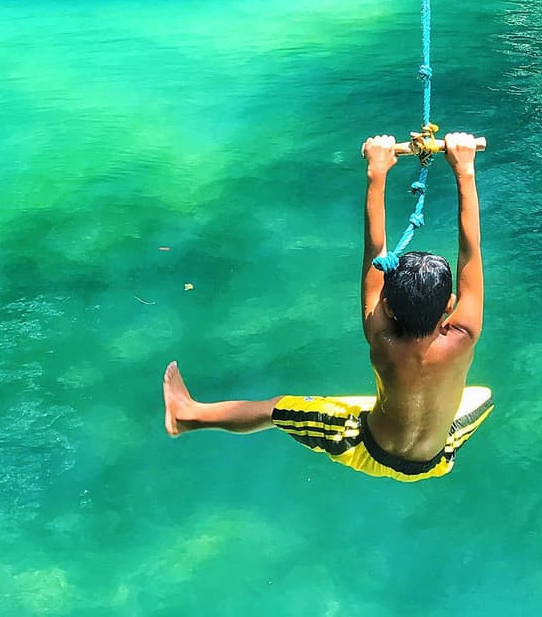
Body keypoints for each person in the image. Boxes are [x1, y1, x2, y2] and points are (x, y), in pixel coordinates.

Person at [161, 132, 491, 482]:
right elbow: (471, 248)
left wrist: (377, 171)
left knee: (275, 409)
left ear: (389, 308)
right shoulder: (465, 334)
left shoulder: (380, 336)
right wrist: (464, 168)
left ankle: (186, 416)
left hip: (364, 447)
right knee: (482, 395)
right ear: (450, 306)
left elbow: (374, 250)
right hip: (436, 460)